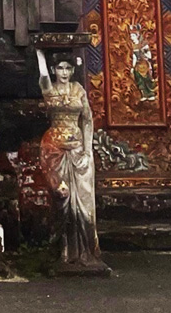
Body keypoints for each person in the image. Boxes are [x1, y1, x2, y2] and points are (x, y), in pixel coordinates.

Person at [36, 50, 107, 273]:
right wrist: (41, 53)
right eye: (60, 68)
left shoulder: (79, 90)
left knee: (83, 202)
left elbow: (87, 120)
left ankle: (85, 251)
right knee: (62, 199)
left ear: (73, 70)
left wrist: (87, 150)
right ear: (55, 70)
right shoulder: (50, 89)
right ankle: (63, 251)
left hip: (77, 150)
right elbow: (43, 76)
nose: (64, 72)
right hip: (55, 150)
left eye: (68, 68)